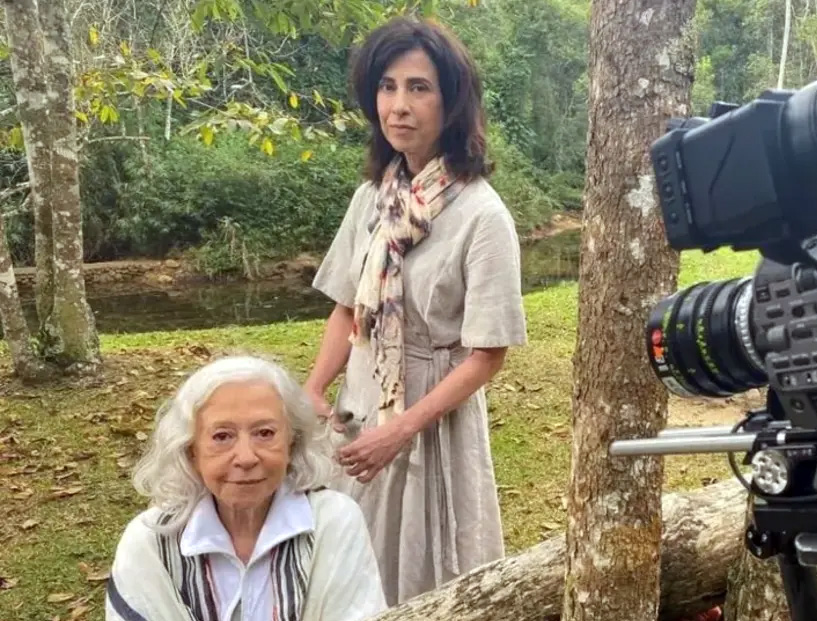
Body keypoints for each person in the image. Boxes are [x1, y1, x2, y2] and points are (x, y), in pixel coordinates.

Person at [304, 16, 528, 606]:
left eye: (419, 88)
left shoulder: (482, 216)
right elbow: (346, 307)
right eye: (387, 86)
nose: (398, 106)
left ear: (451, 102)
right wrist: (313, 387)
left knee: (431, 568)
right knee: (345, 556)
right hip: (360, 399)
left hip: (430, 415)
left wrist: (399, 430)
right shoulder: (373, 198)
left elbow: (487, 355)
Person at [105, 355, 388, 621]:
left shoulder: (333, 521)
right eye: (222, 436)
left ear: (292, 443)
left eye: (264, 433)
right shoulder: (150, 542)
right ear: (191, 451)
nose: (246, 457)